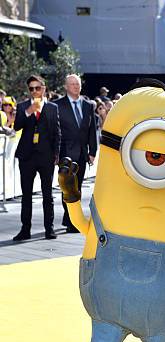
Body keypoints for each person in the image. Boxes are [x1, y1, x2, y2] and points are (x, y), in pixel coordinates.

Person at [12, 75, 61, 241]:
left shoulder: (53, 108)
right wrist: (28, 112)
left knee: (48, 194)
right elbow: (17, 125)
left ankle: (50, 228)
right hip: (27, 157)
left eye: (37, 88)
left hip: (46, 157)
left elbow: (57, 133)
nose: (34, 91)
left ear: (44, 89)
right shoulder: (23, 106)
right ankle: (25, 229)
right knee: (26, 195)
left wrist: (57, 154)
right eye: (31, 88)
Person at [54, 74, 98, 233]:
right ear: (66, 86)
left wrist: (92, 151)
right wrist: (55, 154)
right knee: (67, 187)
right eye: (72, 84)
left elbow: (92, 130)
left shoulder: (88, 105)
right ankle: (69, 220)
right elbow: (53, 132)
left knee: (78, 187)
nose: (75, 87)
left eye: (77, 84)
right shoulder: (57, 105)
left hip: (81, 154)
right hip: (64, 154)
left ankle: (71, 218)